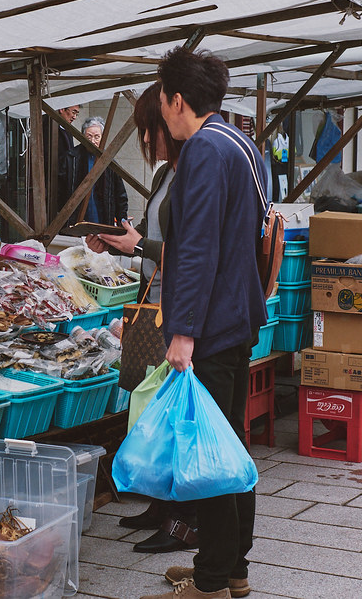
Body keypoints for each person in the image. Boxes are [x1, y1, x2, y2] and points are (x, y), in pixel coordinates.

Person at [140, 48, 267, 599]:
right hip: (238, 316)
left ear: (175, 100)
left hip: (212, 326)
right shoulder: (242, 143)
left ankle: (213, 579)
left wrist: (184, 331)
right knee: (231, 447)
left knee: (213, 457)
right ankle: (230, 567)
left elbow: (195, 249)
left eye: (163, 100)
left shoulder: (204, 151)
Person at [86, 86, 195, 554]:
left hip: (179, 310)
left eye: (149, 128)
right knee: (156, 414)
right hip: (158, 303)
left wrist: (140, 248)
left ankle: (183, 521)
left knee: (175, 418)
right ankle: (160, 504)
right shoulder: (166, 175)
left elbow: (190, 251)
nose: (149, 138)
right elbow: (154, 239)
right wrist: (119, 243)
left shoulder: (193, 172)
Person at [74, 116, 128, 224]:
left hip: (103, 220)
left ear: (102, 138)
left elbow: (120, 196)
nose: (92, 141)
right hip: (77, 221)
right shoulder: (73, 158)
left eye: (96, 137)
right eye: (89, 137)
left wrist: (122, 223)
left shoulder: (109, 161)